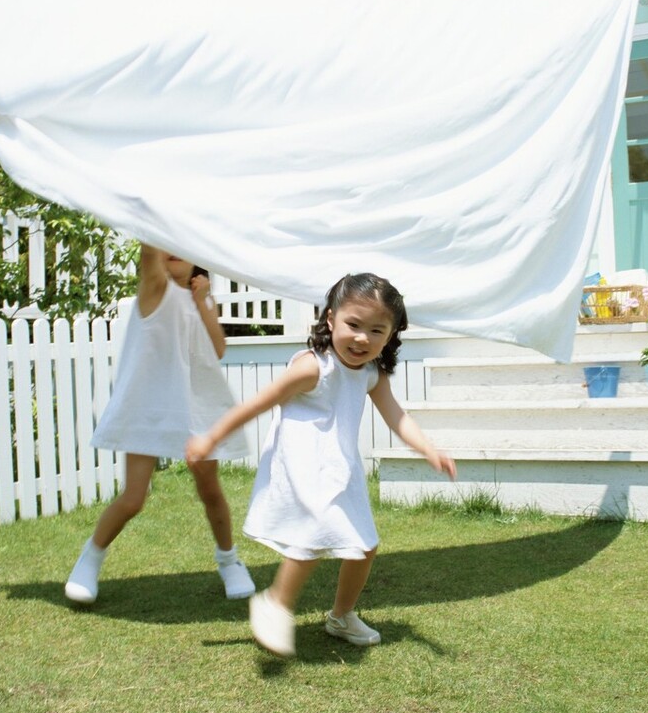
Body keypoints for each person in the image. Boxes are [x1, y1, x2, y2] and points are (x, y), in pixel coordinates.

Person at [186, 272, 457, 657]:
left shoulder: (370, 374)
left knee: (364, 547)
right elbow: (257, 404)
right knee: (313, 533)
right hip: (302, 465)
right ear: (330, 319)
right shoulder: (313, 367)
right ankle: (276, 602)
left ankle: (341, 616)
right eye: (353, 325)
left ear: (391, 335)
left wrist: (429, 449)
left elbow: (397, 416)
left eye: (377, 330)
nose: (362, 338)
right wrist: (210, 438)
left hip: (339, 468)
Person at [64, 246, 255, 605]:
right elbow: (151, 249)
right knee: (134, 498)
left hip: (197, 408)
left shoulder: (203, 297)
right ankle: (89, 558)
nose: (173, 250)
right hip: (150, 407)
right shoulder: (154, 288)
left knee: (210, 489)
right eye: (168, 241)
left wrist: (204, 301)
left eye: (182, 243)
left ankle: (229, 560)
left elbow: (217, 349)